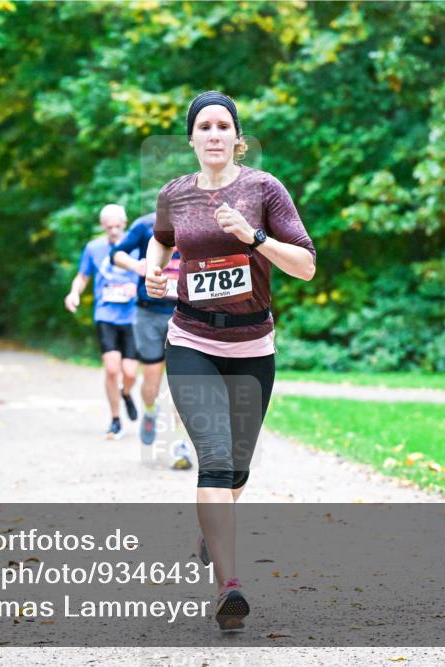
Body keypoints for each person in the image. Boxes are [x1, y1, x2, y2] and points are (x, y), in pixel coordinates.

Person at [144, 91, 315, 631]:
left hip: (252, 345)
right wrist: (155, 274)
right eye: (204, 126)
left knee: (237, 469)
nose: (214, 134)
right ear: (191, 138)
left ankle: (209, 530)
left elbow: (307, 266)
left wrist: (255, 237)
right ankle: (229, 588)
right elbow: (161, 243)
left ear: (236, 137)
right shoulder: (174, 194)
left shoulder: (264, 189)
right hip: (191, 338)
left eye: (223, 126)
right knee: (215, 461)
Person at [110, 212, 193, 469]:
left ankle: (180, 445)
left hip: (184, 312)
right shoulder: (145, 225)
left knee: (183, 382)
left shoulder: (197, 221)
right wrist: (137, 266)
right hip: (149, 313)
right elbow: (117, 253)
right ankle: (149, 410)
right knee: (152, 381)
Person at [64, 204, 141, 440]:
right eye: (109, 227)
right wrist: (74, 292)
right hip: (105, 315)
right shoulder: (94, 248)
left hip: (132, 316)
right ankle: (115, 419)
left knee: (130, 372)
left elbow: (152, 271)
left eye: (118, 226)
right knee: (111, 369)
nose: (114, 231)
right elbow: (82, 275)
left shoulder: (138, 244)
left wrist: (136, 286)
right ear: (102, 226)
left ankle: (126, 393)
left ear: (125, 224)